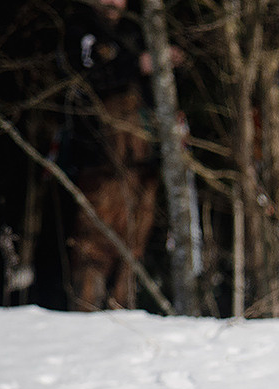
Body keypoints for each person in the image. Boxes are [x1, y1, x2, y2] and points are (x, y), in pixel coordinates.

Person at [60, 0, 180, 310]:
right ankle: (86, 314)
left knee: (133, 245)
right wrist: (136, 65)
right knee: (92, 244)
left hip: (140, 164)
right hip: (99, 162)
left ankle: (123, 318)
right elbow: (85, 80)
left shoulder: (135, 31)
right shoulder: (80, 29)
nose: (114, 3)